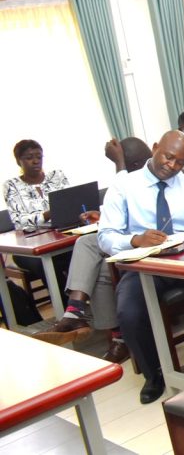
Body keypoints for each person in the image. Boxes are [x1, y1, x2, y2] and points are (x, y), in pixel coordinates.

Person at [99, 130, 184, 404]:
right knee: (129, 313)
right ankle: (155, 374)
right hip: (145, 265)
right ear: (155, 148)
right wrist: (134, 239)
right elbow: (105, 236)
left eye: (180, 162)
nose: (172, 166)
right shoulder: (124, 186)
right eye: (168, 157)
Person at [33, 137, 153, 363]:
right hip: (130, 241)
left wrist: (119, 164)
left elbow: (135, 205)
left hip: (148, 247)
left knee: (94, 256)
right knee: (92, 252)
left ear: (134, 166)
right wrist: (104, 217)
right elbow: (126, 212)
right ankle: (78, 312)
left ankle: (104, 330)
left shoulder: (150, 178)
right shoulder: (137, 179)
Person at [3, 139, 72, 305]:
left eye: (39, 156)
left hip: (62, 237)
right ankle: (68, 308)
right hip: (30, 248)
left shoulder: (56, 176)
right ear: (19, 161)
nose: (35, 161)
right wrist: (46, 215)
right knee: (46, 265)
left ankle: (85, 304)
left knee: (86, 253)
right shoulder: (11, 186)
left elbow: (70, 203)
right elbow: (20, 222)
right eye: (29, 157)